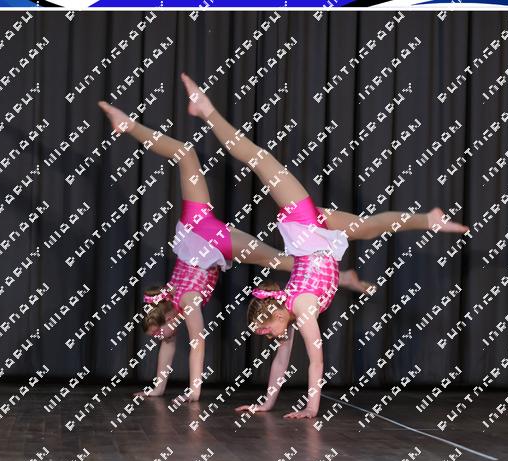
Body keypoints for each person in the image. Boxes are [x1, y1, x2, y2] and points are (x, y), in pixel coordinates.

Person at [178, 72, 470, 418]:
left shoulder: (300, 309)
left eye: (266, 330)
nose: (268, 337)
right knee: (369, 227)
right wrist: (266, 403)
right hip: (313, 233)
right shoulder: (290, 313)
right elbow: (281, 364)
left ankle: (206, 109)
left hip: (305, 225)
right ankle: (427, 220)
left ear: (276, 314)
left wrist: (310, 410)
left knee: (258, 158)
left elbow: (316, 361)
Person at [97, 101, 373, 406]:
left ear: (166, 318)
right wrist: (158, 388)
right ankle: (129, 124)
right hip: (196, 228)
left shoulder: (186, 302)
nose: (160, 338)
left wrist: (195, 391)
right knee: (185, 155)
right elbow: (170, 344)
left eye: (157, 334)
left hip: (211, 243)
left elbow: (198, 342)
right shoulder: (172, 306)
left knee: (279, 258)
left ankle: (133, 124)